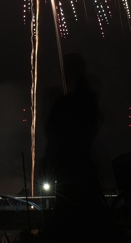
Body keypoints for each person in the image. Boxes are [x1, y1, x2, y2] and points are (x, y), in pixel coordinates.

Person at [43, 53, 107, 241]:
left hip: (68, 170)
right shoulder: (87, 100)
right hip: (85, 167)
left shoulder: (63, 103)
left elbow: (53, 135)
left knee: (66, 221)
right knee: (91, 220)